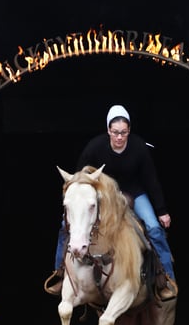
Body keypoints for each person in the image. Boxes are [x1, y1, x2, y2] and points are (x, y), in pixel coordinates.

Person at [44, 104, 178, 300]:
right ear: (108, 130)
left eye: (123, 132)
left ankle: (165, 278)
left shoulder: (139, 147)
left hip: (135, 193)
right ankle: (60, 272)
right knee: (65, 226)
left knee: (154, 229)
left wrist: (162, 210)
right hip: (104, 196)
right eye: (115, 132)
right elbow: (80, 178)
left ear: (129, 131)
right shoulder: (95, 147)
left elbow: (151, 180)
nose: (119, 137)